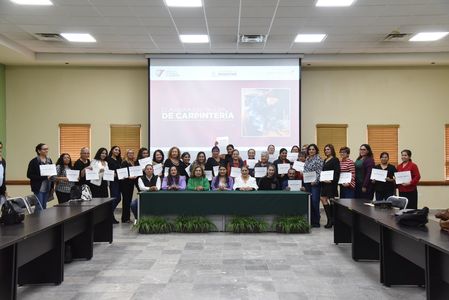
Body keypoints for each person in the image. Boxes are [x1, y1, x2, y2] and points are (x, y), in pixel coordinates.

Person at [27, 143, 54, 211]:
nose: (46, 150)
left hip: (48, 187)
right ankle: (37, 221)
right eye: (44, 149)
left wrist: (52, 187)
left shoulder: (49, 160)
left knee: (44, 206)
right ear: (39, 151)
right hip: (39, 188)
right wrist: (44, 177)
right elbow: (29, 175)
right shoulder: (34, 162)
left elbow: (51, 174)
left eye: (47, 149)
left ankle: (43, 221)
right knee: (39, 207)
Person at [320, 144, 340, 229]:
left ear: (332, 150)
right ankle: (330, 219)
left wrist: (331, 180)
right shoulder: (325, 160)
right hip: (324, 183)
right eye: (325, 149)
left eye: (328, 149)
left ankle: (332, 220)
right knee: (323, 198)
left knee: (331, 201)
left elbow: (337, 172)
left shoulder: (335, 159)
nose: (326, 151)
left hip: (331, 184)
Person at [303, 144, 323, 228]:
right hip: (307, 183)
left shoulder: (319, 159)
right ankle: (311, 220)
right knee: (309, 202)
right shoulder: (307, 159)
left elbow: (320, 171)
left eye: (313, 149)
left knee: (315, 202)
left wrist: (316, 181)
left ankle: (316, 221)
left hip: (315, 184)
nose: (311, 151)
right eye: (310, 149)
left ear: (316, 150)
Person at [120, 149, 136, 223]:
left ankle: (127, 218)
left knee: (129, 200)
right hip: (125, 184)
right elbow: (122, 173)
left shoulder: (133, 162)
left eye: (132, 153)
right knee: (126, 201)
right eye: (129, 153)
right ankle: (125, 218)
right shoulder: (124, 162)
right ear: (126, 154)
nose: (131, 154)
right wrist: (129, 177)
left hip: (131, 184)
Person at [108, 145, 122, 221]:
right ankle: (109, 216)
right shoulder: (108, 159)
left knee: (118, 198)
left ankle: (109, 215)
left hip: (119, 181)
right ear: (112, 150)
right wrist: (113, 173)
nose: (117, 151)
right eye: (116, 150)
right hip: (113, 181)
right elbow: (107, 170)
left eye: (118, 150)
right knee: (115, 198)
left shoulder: (119, 159)